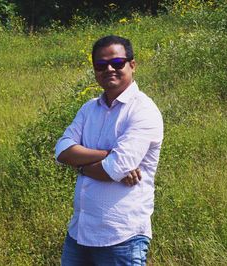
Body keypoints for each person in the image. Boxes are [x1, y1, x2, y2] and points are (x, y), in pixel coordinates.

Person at [55, 35, 163, 265]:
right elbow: (62, 150)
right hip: (79, 233)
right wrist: (107, 154)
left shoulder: (143, 111)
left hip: (121, 237)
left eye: (117, 63)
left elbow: (115, 168)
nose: (109, 69)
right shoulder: (88, 109)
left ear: (132, 65)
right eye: (101, 65)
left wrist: (81, 165)